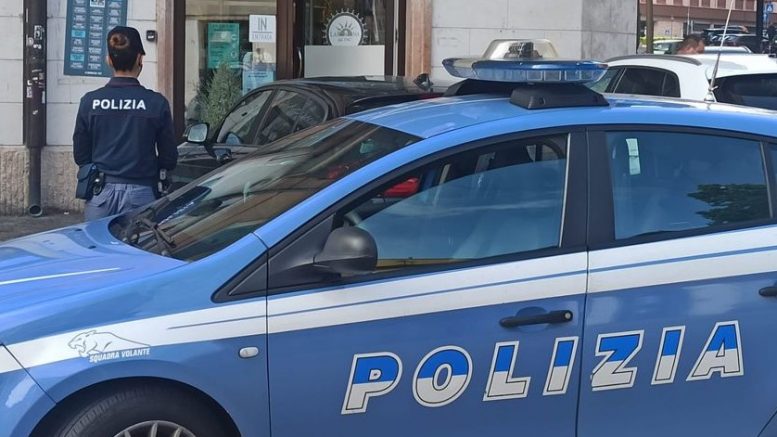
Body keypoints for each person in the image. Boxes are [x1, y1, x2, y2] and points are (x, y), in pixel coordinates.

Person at [73, 26, 177, 221]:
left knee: (97, 241)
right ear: (139, 59)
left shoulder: (90, 101)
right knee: (142, 241)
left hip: (100, 193)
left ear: (109, 60)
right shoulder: (156, 103)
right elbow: (169, 158)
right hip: (142, 194)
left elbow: (80, 154)